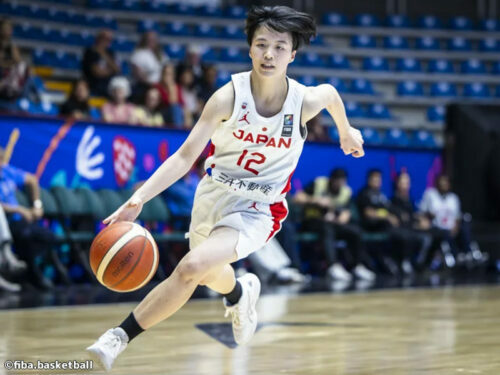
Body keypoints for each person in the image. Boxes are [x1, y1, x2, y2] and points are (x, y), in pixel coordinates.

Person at [86, 6, 364, 371]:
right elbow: (186, 156)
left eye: (279, 47)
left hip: (259, 207)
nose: (269, 54)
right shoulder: (226, 97)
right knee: (205, 273)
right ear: (249, 48)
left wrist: (345, 130)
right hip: (214, 195)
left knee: (191, 267)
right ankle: (239, 293)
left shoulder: (302, 102)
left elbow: (329, 94)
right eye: (261, 44)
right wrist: (137, 199)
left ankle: (117, 338)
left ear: (292, 54)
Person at [294, 168, 375, 281]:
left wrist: (344, 215)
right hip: (312, 221)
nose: (339, 184)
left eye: (342, 181)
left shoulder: (346, 191)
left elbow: (347, 211)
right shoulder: (319, 183)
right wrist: (315, 200)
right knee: (326, 229)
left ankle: (357, 266)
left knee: (355, 232)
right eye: (337, 181)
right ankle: (333, 266)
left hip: (333, 223)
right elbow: (297, 198)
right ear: (331, 180)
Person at [0, 147, 56, 289]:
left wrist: (36, 205)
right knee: (25, 237)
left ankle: (27, 271)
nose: (2, 163)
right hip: (7, 221)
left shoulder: (7, 172)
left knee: (48, 237)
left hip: (21, 221)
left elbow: (32, 180)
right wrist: (19, 209)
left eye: (2, 159)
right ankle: (31, 275)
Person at [357, 169, 420, 274]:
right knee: (402, 235)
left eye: (379, 179)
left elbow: (390, 208)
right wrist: (387, 217)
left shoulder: (381, 195)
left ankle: (405, 261)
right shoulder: (364, 193)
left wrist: (400, 215)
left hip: (386, 226)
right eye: (375, 178)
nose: (377, 181)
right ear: (369, 179)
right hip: (373, 226)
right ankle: (401, 261)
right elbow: (368, 212)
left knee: (410, 233)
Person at [81, 29, 120, 97]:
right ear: (99, 38)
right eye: (105, 38)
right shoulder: (90, 52)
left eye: (109, 39)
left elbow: (117, 69)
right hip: (93, 85)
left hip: (108, 85)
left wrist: (103, 54)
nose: (107, 41)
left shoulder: (110, 53)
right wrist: (110, 70)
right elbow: (97, 72)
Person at [154, 63, 185, 128]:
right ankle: (177, 132)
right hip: (160, 113)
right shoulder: (157, 87)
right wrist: (170, 87)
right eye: (166, 74)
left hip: (175, 115)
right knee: (175, 109)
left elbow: (182, 104)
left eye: (170, 74)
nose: (167, 76)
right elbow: (172, 103)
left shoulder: (177, 87)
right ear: (162, 74)